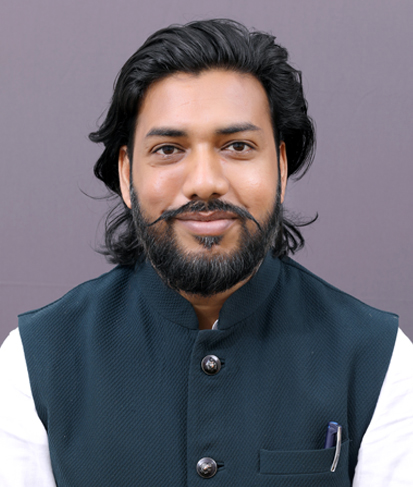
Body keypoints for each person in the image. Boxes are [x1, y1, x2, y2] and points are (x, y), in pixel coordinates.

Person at [0, 19, 412, 487]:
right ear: (126, 174)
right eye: (168, 149)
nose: (204, 182)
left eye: (237, 146)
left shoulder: (381, 361)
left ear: (280, 166)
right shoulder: (32, 363)